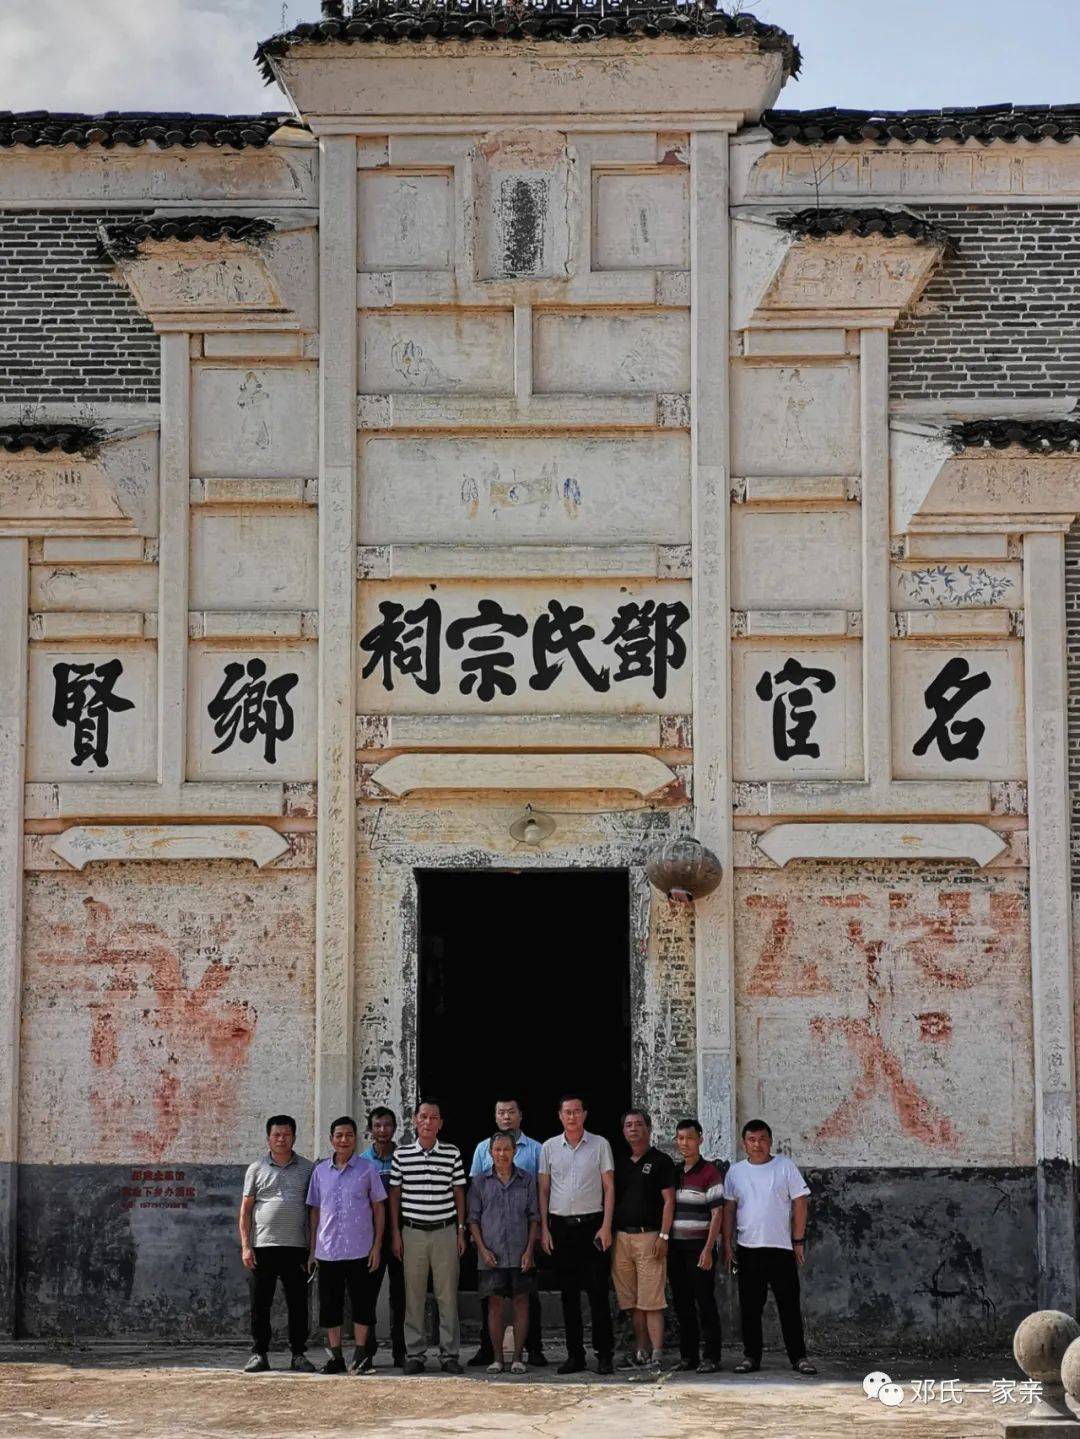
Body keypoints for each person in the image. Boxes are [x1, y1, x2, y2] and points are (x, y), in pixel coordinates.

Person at [722, 1118, 817, 1376]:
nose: (758, 1144)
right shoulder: (736, 1172)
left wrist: (798, 1240)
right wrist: (728, 1244)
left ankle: (799, 1358)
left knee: (789, 1306)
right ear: (744, 1144)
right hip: (748, 1248)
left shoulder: (784, 1167)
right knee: (750, 1308)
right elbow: (729, 1210)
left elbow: (800, 1202)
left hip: (781, 1248)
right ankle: (751, 1357)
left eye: (763, 1139)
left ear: (770, 1141)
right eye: (752, 1140)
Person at [538, 1093, 615, 1375]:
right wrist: (545, 1228)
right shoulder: (549, 1148)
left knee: (597, 1293)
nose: (572, 1116)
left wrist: (606, 1226)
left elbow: (609, 1188)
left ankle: (604, 1355)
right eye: (567, 1112)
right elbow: (543, 1190)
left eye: (577, 1111)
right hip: (560, 1228)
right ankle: (575, 1356)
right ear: (559, 1116)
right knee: (568, 1295)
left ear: (585, 1114)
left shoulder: (599, 1144)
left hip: (593, 1226)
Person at [467, 1096, 547, 1368]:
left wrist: (532, 1244)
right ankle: (493, 1354)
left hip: (523, 1241)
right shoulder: (480, 1163)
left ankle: (527, 1352)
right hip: (491, 1245)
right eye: (501, 1112)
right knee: (493, 1303)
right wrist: (479, 1245)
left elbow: (536, 1207)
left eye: (511, 1112)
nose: (507, 1116)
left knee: (526, 1300)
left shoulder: (534, 1154)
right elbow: (474, 1212)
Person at [389, 1097, 467, 1374]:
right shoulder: (402, 1155)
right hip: (413, 1232)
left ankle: (449, 1354)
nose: (428, 1122)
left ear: (441, 1123)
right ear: (415, 1121)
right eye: (423, 1117)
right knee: (414, 1295)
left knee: (447, 1295)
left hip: (445, 1230)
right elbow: (395, 1196)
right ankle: (415, 1353)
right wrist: (396, 1234)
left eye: (433, 1118)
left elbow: (459, 1192)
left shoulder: (452, 1153)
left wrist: (461, 1229)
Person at [306, 1115, 386, 1375]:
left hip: (361, 1249)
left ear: (356, 1138)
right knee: (331, 1305)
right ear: (331, 1139)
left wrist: (376, 1247)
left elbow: (378, 1208)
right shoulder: (319, 1173)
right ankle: (335, 1357)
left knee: (363, 1304)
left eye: (349, 1135)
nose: (344, 1140)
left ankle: (361, 1355)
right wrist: (312, 1250)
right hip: (328, 1250)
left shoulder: (367, 1169)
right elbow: (315, 1212)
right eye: (339, 1135)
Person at [238, 1114, 316, 1373]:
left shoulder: (308, 1169)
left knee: (298, 1304)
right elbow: (246, 1210)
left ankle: (299, 1354)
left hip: (296, 1248)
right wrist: (246, 1245)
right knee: (260, 1304)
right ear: (268, 1138)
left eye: (286, 1135)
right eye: (276, 1135)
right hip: (263, 1247)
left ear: (294, 1137)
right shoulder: (256, 1168)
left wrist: (313, 1249)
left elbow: (314, 1211)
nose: (281, 1139)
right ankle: (259, 1353)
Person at [612, 1109, 676, 1378]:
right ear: (623, 1131)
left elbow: (669, 1201)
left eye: (639, 1124)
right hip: (622, 1238)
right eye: (628, 1125)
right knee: (632, 1301)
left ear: (649, 1129)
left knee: (652, 1299)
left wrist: (664, 1235)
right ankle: (641, 1351)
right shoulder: (619, 1162)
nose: (634, 1129)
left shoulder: (661, 1161)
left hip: (650, 1236)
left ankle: (658, 1354)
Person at [669, 1118, 724, 1373]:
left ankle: (711, 1356)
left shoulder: (709, 1172)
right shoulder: (676, 1172)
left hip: (700, 1247)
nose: (685, 1143)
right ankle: (688, 1356)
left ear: (700, 1139)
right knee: (682, 1303)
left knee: (705, 1301)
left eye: (689, 1138)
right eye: (680, 1139)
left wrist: (708, 1248)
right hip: (677, 1249)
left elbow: (717, 1214)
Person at [359, 1106, 406, 1369]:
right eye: (377, 1125)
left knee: (400, 1296)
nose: (382, 1130)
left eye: (387, 1125)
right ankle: (367, 1349)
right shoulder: (363, 1162)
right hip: (370, 1237)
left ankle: (401, 1350)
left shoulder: (404, 1157)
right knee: (368, 1293)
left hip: (400, 1235)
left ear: (394, 1128)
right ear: (370, 1130)